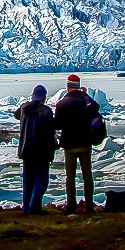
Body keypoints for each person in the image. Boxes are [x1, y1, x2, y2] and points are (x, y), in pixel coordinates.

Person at [53, 73, 101, 213]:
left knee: (70, 176)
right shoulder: (86, 102)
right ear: (79, 87)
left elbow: (57, 125)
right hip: (85, 144)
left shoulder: (61, 104)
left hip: (69, 144)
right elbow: (96, 107)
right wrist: (85, 95)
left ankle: (71, 205)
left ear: (67, 86)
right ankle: (89, 205)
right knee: (87, 174)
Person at [12, 84, 58, 214]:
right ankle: (34, 206)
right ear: (43, 97)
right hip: (42, 151)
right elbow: (51, 128)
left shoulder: (24, 108)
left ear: (33, 95)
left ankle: (26, 207)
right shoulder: (47, 111)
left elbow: (16, 115)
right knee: (41, 181)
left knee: (28, 180)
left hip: (26, 150)